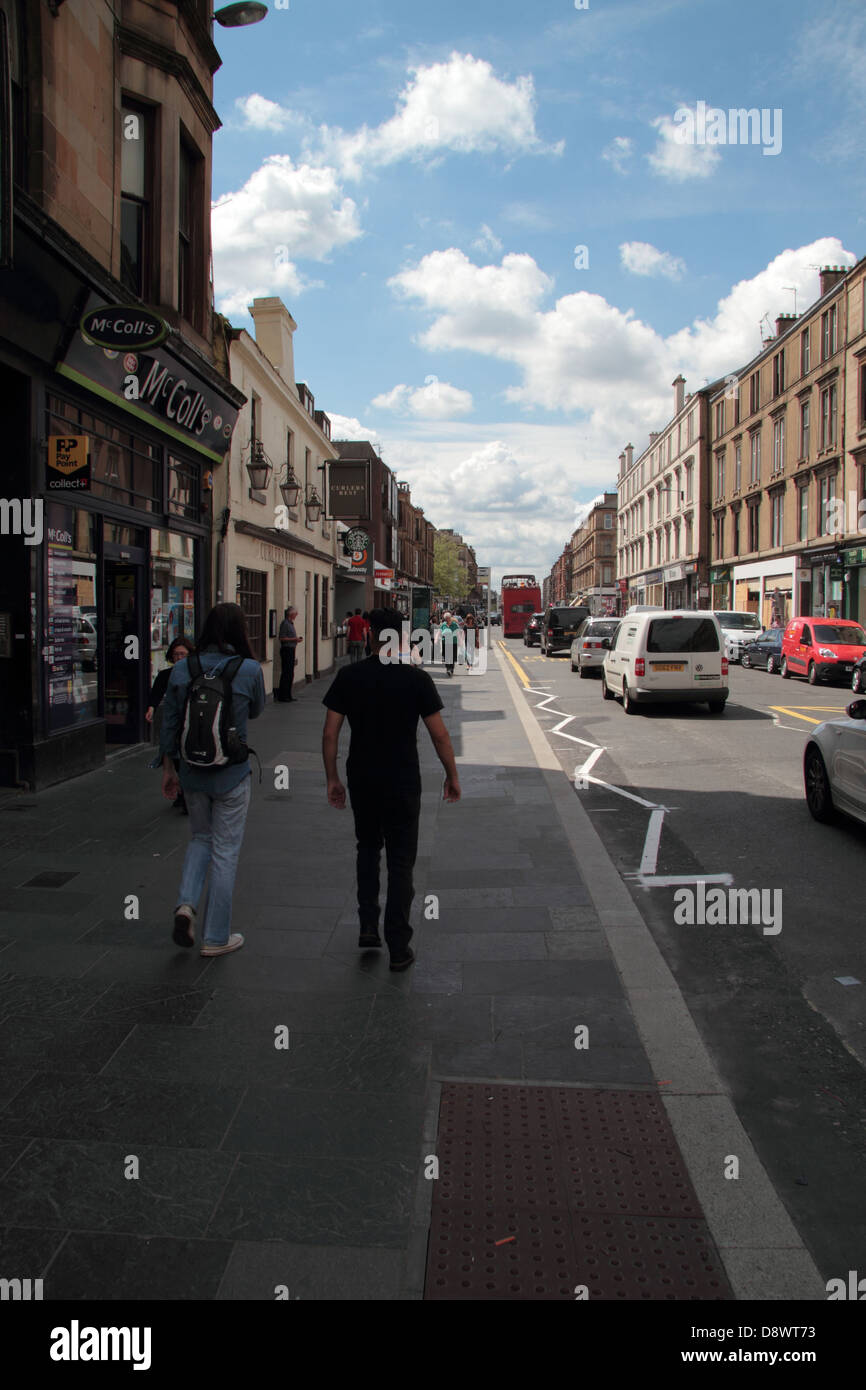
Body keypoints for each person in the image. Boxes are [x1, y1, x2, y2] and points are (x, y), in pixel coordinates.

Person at [322, 607, 461, 971]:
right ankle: (399, 946)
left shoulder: (349, 676)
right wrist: (452, 775)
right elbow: (440, 735)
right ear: (401, 639)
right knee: (401, 861)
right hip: (402, 780)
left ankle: (368, 925)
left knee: (367, 848)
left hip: (362, 778)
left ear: (370, 636)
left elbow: (330, 732)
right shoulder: (416, 681)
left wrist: (332, 778)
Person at [159, 603, 265, 957]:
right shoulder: (248, 669)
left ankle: (186, 905)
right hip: (231, 772)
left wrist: (168, 770)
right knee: (226, 851)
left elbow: (169, 722)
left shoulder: (182, 668)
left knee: (200, 839)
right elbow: (256, 710)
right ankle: (216, 937)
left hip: (192, 771)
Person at [146, 636, 193, 812]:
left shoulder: (194, 674)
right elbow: (156, 692)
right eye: (176, 655)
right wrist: (151, 707)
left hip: (190, 722)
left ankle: (186, 794)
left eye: (183, 654)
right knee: (176, 758)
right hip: (173, 723)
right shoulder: (166, 675)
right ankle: (181, 793)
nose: (179, 658)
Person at [277, 606, 302, 701]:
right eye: (295, 614)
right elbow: (282, 638)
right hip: (286, 649)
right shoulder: (285, 624)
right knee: (286, 672)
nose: (296, 616)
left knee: (290, 673)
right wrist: (294, 639)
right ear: (291, 614)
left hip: (291, 649)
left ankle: (288, 694)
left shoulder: (291, 624)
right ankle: (283, 695)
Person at [440, 611, 459, 677]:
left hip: (453, 642)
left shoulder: (454, 624)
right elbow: (440, 632)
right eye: (446, 618)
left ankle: (451, 668)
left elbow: (458, 632)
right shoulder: (443, 625)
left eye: (448, 618)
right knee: (446, 656)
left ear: (450, 618)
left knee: (452, 656)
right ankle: (448, 668)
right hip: (445, 642)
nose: (447, 619)